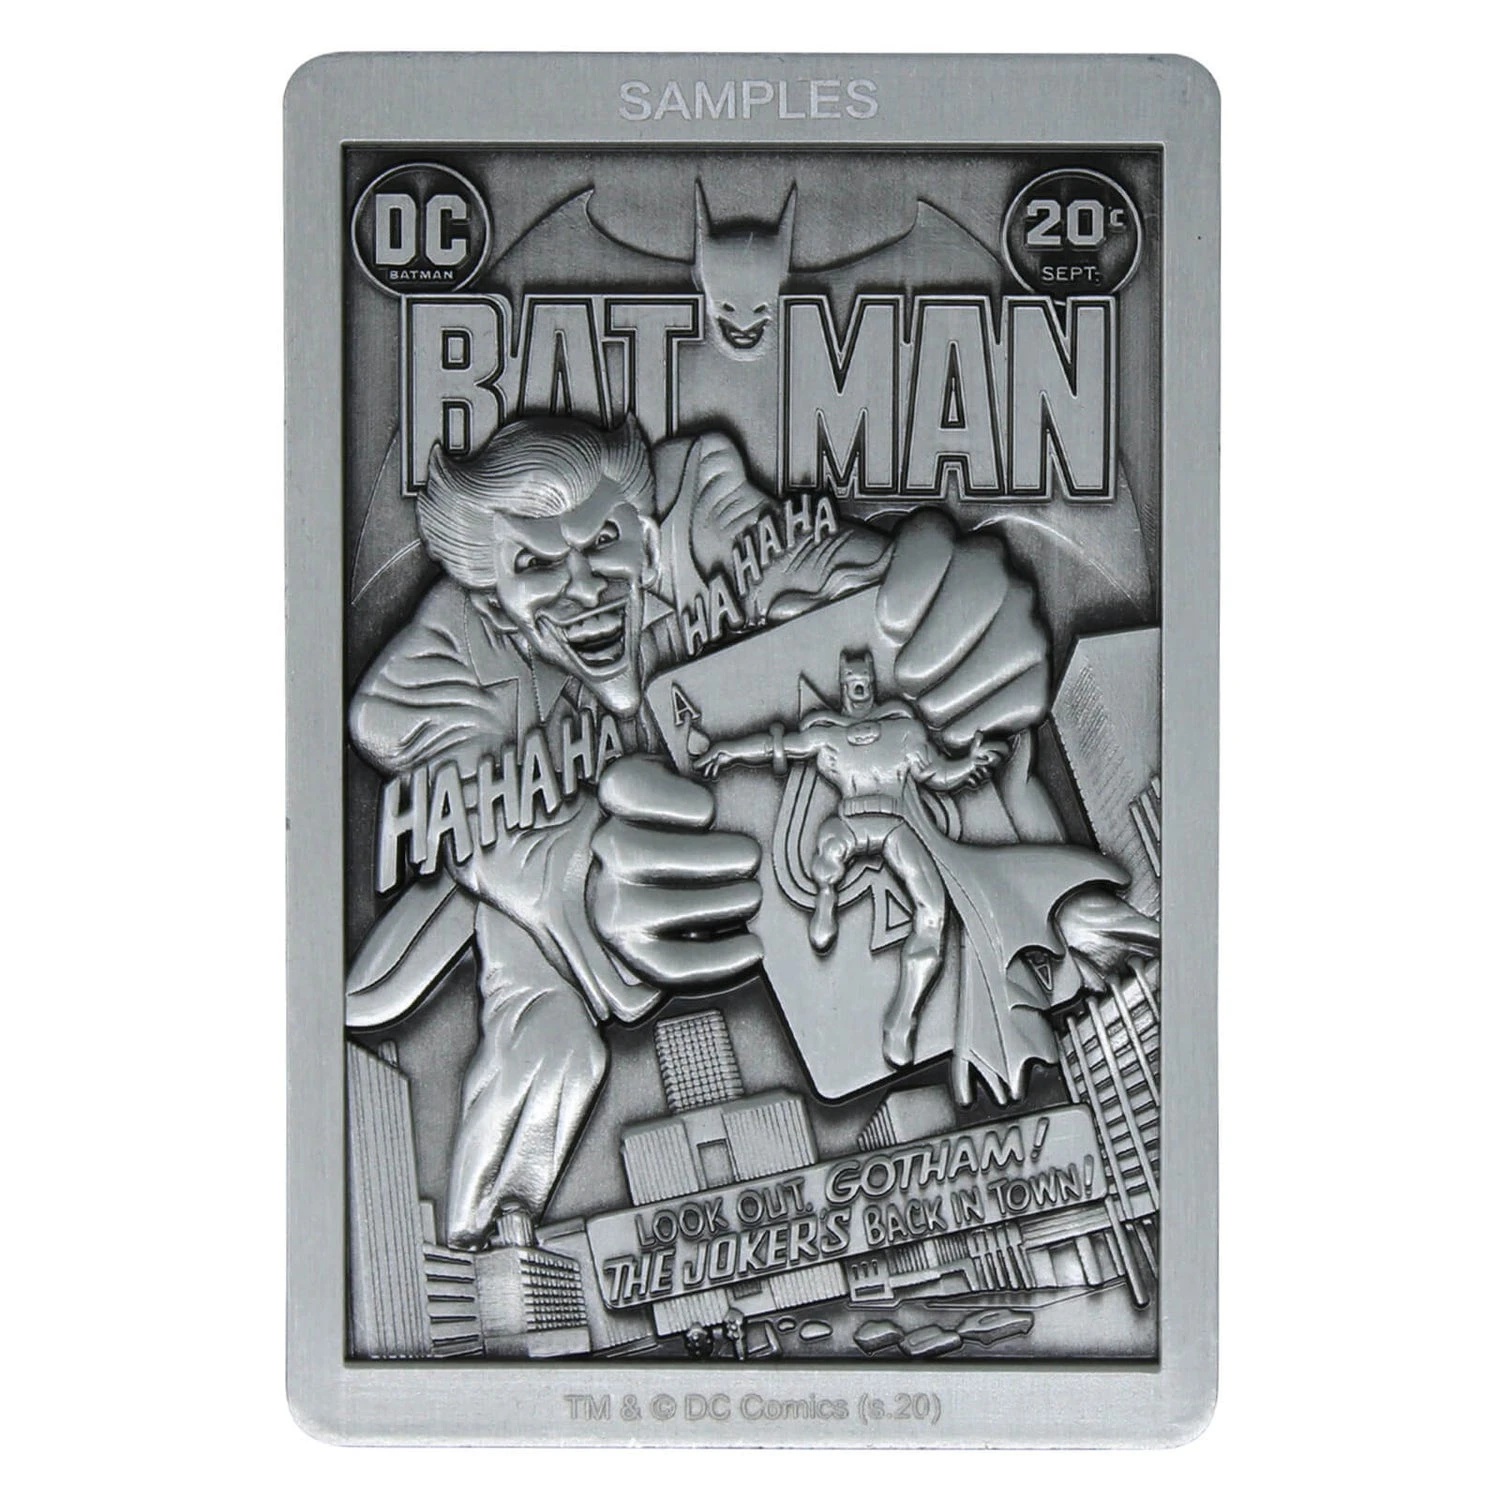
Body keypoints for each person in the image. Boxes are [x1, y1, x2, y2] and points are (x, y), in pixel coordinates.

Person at [348, 413, 1145, 1251]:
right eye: (537, 564)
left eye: (604, 541)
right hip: (551, 885)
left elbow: (809, 567)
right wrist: (578, 881)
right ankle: (478, 1248)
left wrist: (929, 618)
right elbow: (447, 776)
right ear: (488, 590)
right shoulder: (439, 659)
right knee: (551, 1046)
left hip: (775, 834)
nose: (582, 586)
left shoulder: (698, 501)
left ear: (643, 524)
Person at [695, 649, 1001, 1066]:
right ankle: (826, 896)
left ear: (872, 683)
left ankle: (903, 1018)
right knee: (830, 846)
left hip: (896, 827)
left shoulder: (904, 731)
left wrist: (970, 764)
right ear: (843, 687)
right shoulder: (829, 736)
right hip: (850, 821)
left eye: (864, 681)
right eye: (851, 682)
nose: (858, 689)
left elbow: (938, 775)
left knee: (933, 912)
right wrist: (729, 750)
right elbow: (775, 746)